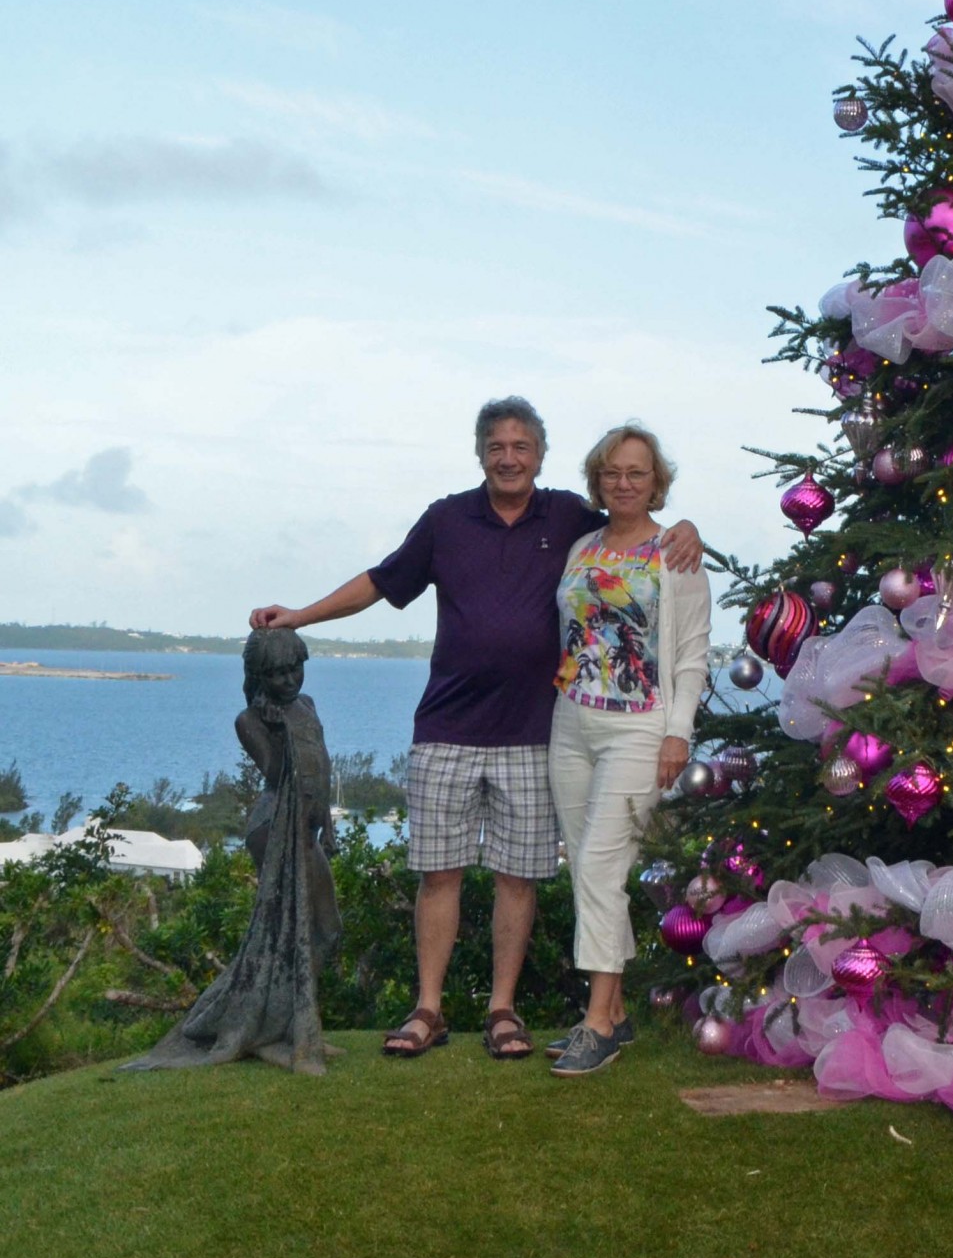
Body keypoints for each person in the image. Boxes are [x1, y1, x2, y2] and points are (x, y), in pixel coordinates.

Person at [249, 396, 702, 1060]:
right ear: (482, 453)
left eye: (521, 447)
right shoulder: (448, 520)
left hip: (535, 733)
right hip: (448, 727)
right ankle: (428, 1009)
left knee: (527, 878)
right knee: (440, 874)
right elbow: (381, 581)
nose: (509, 457)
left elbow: (644, 531)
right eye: (497, 446)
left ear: (540, 456)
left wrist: (688, 524)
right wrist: (299, 616)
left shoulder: (571, 521)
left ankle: (504, 1011)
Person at [546, 421, 711, 1076]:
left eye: (636, 472)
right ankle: (615, 1015)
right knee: (585, 866)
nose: (623, 482)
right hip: (572, 722)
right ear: (598, 478)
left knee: (600, 870)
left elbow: (694, 654)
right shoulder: (583, 547)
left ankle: (596, 1022)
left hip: (640, 729)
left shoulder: (676, 556)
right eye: (613, 472)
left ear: (656, 482)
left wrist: (679, 733)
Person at [127, 628, 340, 1075]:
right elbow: (278, 771)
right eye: (276, 673)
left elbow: (320, 768)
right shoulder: (250, 720)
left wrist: (329, 827)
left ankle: (289, 1025)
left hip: (306, 827)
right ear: (259, 676)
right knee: (289, 931)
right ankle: (279, 1029)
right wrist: (276, 723)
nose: (287, 681)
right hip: (273, 828)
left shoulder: (308, 705)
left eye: (294, 669)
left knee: (325, 929)